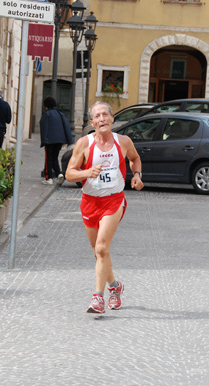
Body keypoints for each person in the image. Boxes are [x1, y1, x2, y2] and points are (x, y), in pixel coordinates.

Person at [65, 101, 144, 314]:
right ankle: (115, 286)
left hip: (113, 200)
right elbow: (69, 173)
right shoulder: (84, 144)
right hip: (90, 202)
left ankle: (98, 298)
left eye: (105, 115)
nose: (102, 119)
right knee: (98, 253)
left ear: (112, 118)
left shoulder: (124, 141)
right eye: (97, 117)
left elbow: (135, 158)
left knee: (101, 248)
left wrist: (137, 175)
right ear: (92, 122)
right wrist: (86, 173)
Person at [40, 97, 73, 185]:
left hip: (49, 140)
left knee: (49, 158)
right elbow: (66, 126)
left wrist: (44, 141)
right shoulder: (60, 114)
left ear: (46, 106)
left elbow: (44, 128)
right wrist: (69, 141)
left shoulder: (46, 114)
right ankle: (59, 174)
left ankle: (49, 178)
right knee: (55, 157)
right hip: (60, 140)